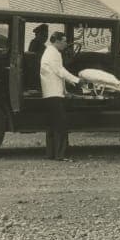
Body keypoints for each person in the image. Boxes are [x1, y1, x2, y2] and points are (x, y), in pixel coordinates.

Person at [40, 31, 82, 161]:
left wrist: (65, 91)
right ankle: (60, 155)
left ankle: (51, 154)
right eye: (64, 41)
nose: (65, 44)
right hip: (54, 94)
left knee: (52, 126)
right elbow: (60, 71)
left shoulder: (48, 52)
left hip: (49, 94)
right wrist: (77, 80)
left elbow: (56, 74)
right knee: (61, 125)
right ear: (57, 41)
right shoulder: (54, 53)